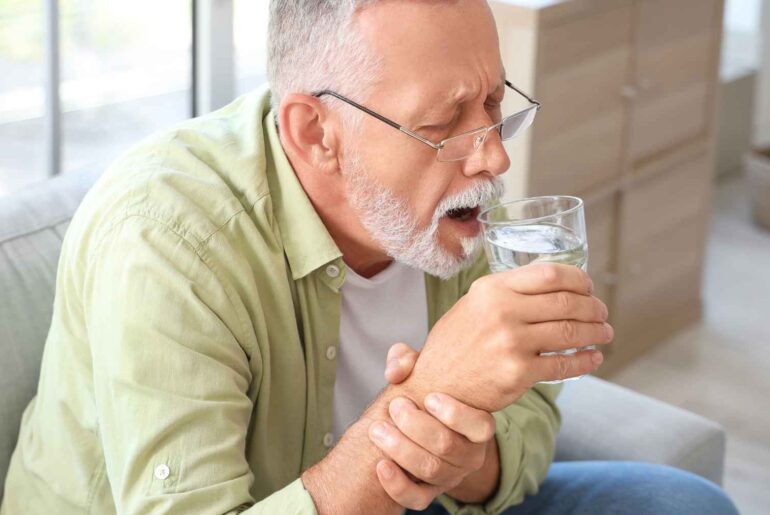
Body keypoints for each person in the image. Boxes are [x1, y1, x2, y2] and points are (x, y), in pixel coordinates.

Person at [1, 1, 739, 514]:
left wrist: (463, 462)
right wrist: (420, 405)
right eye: (444, 121)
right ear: (317, 132)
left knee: (682, 502)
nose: (493, 152)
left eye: (491, 101)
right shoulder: (166, 241)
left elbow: (531, 416)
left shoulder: (442, 204)